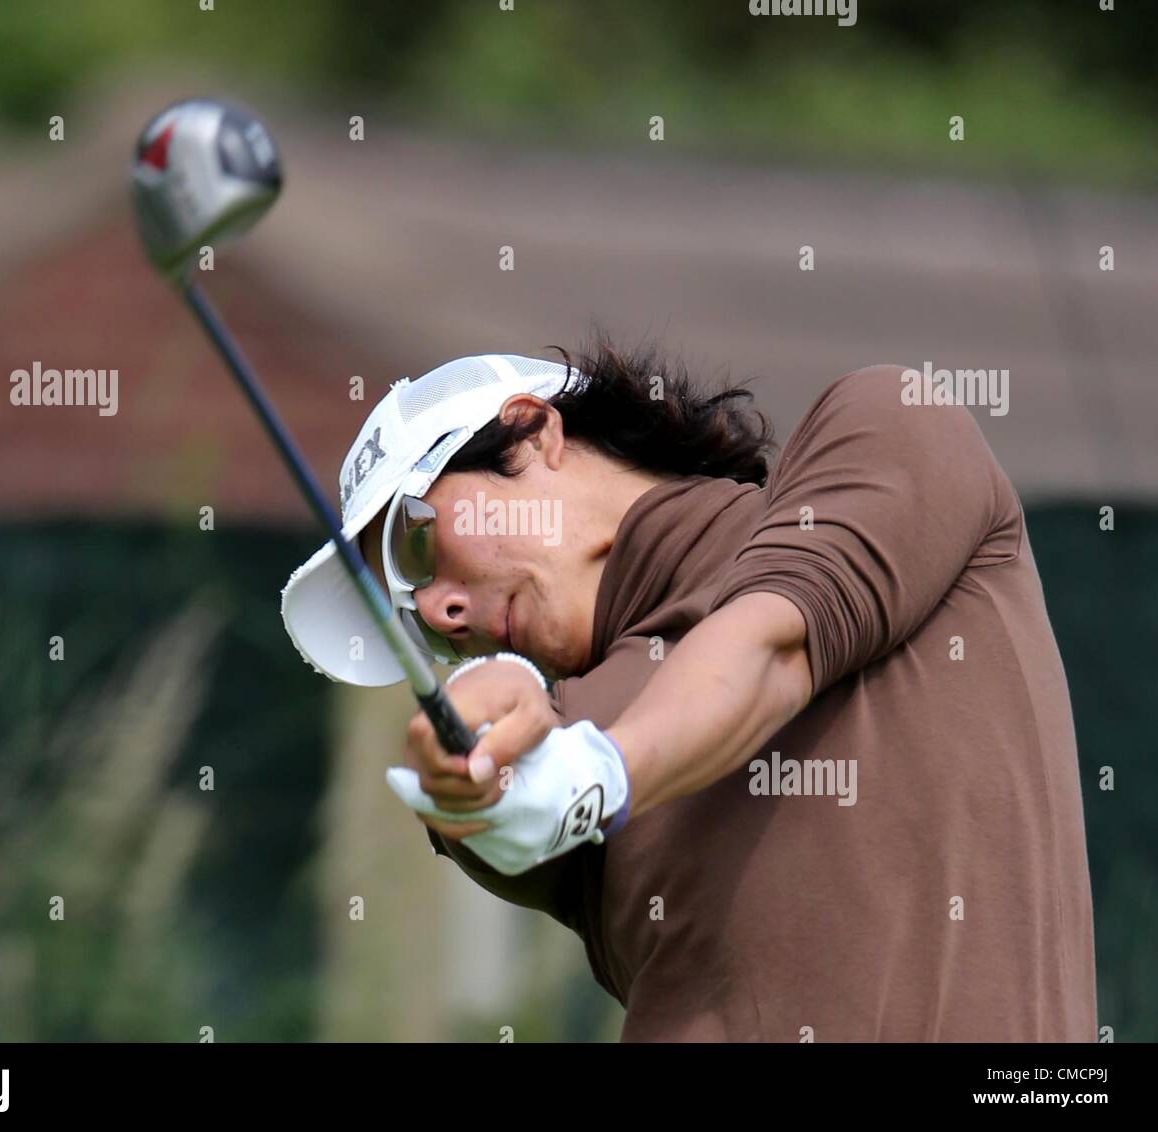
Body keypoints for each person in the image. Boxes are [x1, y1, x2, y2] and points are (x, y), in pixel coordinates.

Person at [281, 334, 1097, 1042]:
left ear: (533, 434)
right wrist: (469, 791)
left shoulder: (886, 427)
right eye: (407, 612)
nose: (439, 611)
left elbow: (770, 648)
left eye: (417, 546)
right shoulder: (547, 757)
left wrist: (601, 772)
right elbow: (494, 800)